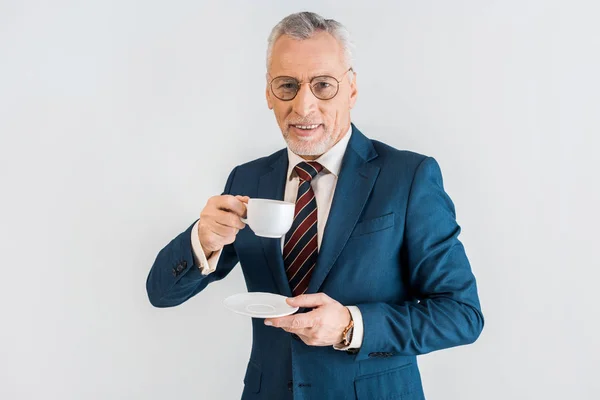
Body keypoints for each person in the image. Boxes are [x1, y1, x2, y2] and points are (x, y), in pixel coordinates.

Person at [146, 11, 484, 400]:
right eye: (287, 85)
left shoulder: (408, 177)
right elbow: (161, 293)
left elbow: (462, 314)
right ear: (269, 94)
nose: (304, 107)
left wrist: (351, 325)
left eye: (323, 85)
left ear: (351, 89)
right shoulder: (247, 180)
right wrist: (201, 240)